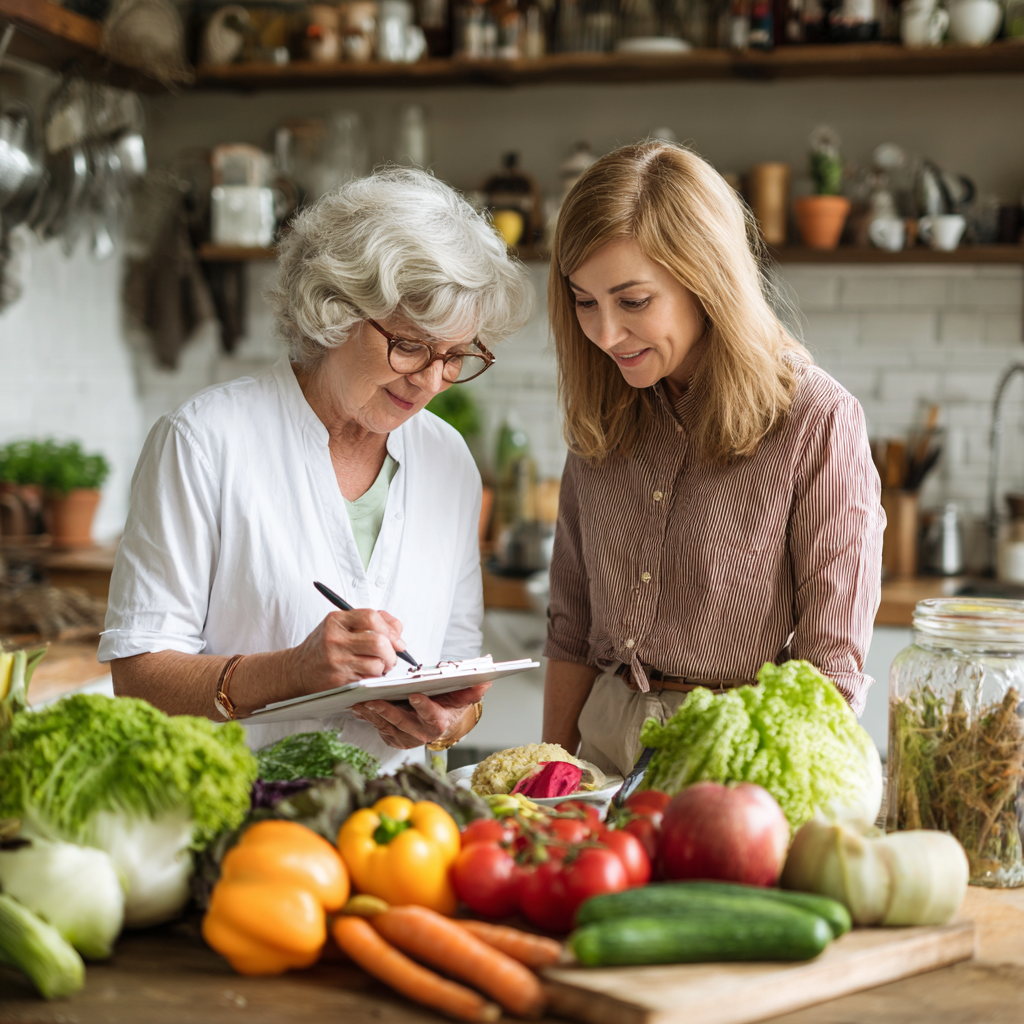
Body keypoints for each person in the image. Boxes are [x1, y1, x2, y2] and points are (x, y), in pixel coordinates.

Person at [101, 168, 533, 772]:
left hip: (397, 819)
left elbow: (458, 669)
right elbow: (139, 680)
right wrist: (292, 671)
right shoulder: (203, 442)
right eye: (410, 346)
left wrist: (446, 721)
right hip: (237, 811)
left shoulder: (448, 459)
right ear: (335, 310)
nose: (432, 381)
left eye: (455, 355)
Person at [541, 142, 885, 778]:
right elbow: (572, 627)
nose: (606, 334)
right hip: (601, 747)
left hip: (736, 755)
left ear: (705, 279)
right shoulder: (603, 410)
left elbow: (829, 673)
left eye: (633, 301)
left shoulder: (816, 419)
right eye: (585, 302)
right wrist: (548, 777)